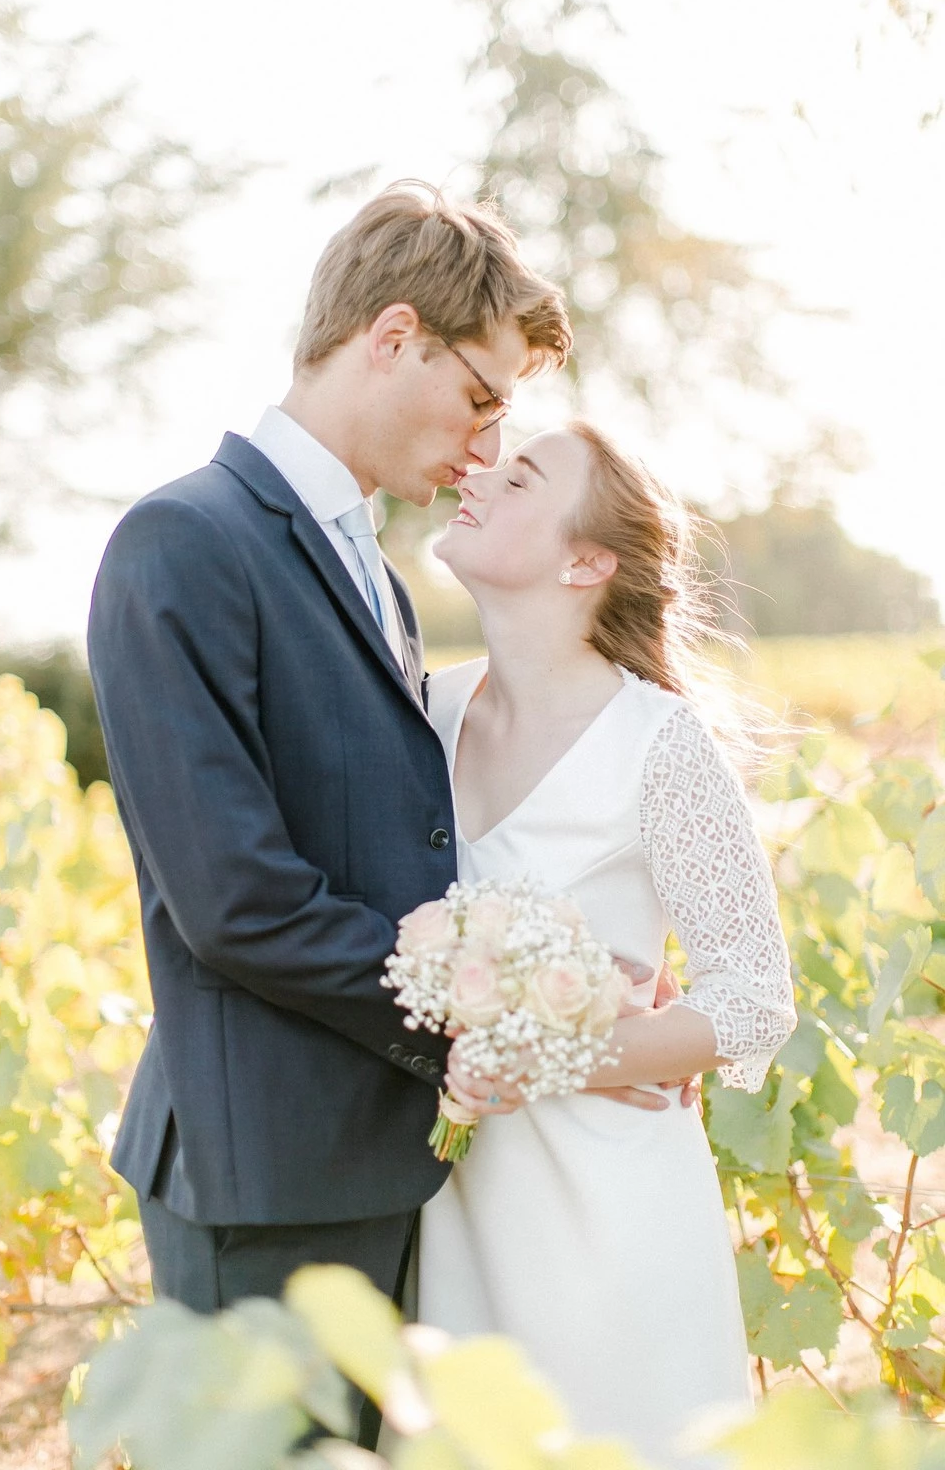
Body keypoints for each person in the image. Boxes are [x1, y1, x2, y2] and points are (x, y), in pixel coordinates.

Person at [86, 182, 575, 1443]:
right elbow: (234, 900)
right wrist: (463, 1020)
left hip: (379, 1160)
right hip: (264, 1181)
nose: (485, 442)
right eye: (482, 396)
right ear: (394, 334)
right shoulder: (182, 541)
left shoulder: (381, 577)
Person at [417, 422, 797, 1469]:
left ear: (587, 562)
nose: (477, 474)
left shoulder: (656, 744)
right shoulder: (424, 709)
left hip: (610, 1212)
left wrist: (556, 1054)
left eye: (521, 474)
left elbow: (755, 997)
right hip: (457, 1202)